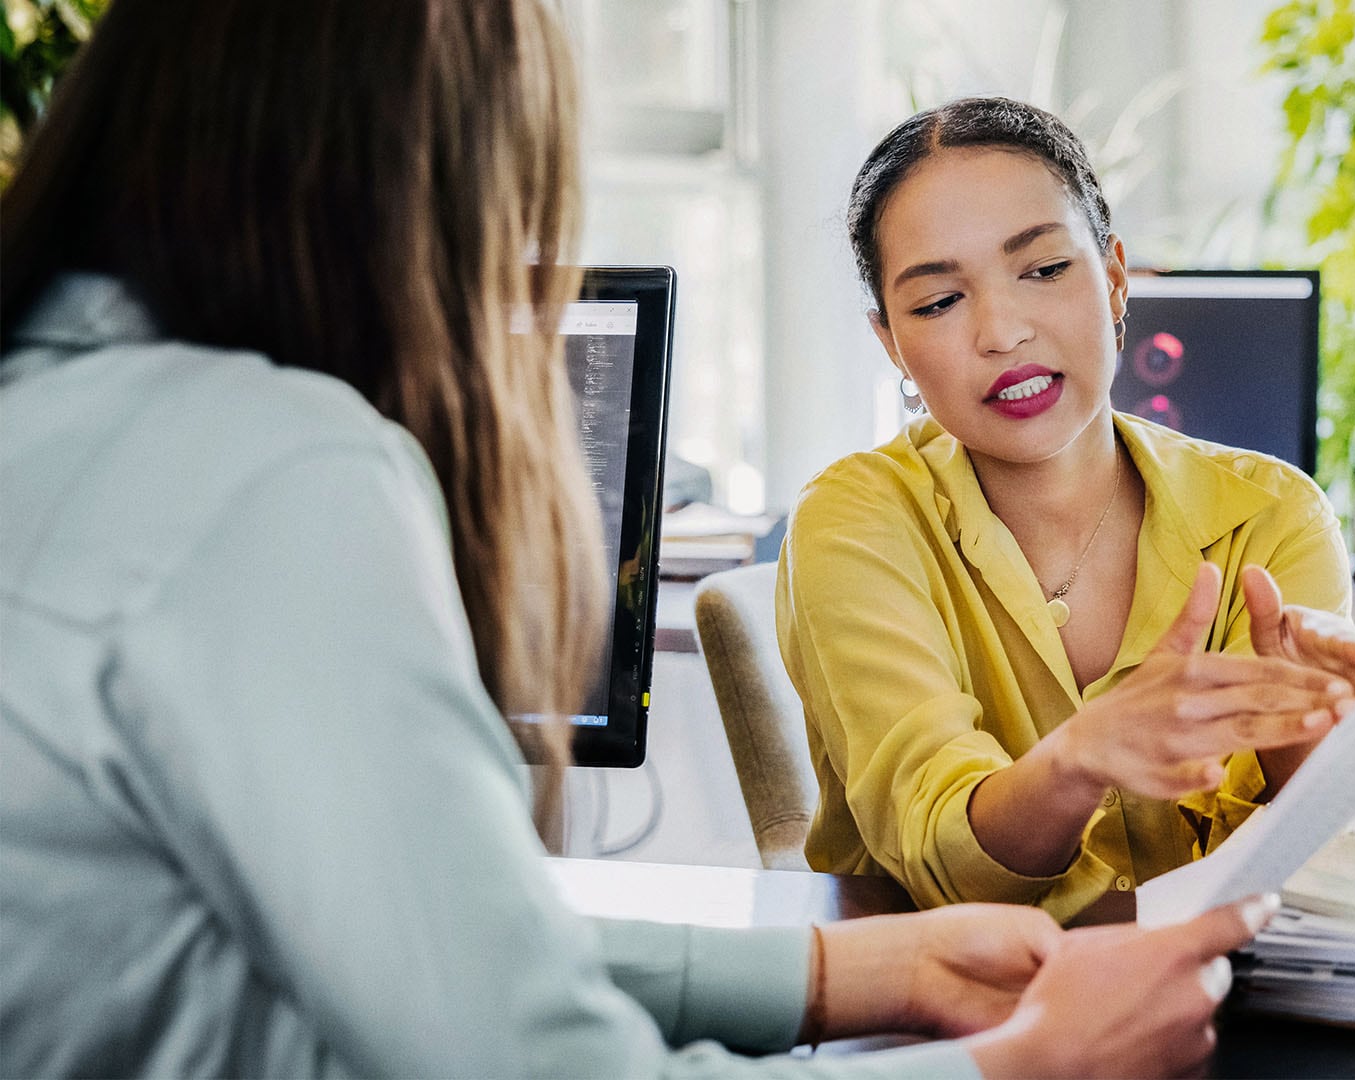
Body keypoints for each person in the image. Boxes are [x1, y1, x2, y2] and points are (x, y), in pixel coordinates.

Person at [0, 5, 1270, 1077]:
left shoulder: (57, 415)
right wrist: (1010, 1071)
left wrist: (828, 972)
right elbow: (527, 1055)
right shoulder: (270, 468)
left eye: (1039, 271)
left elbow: (445, 946)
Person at [778, 97, 1355, 921]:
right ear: (891, 341)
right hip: (954, 1025)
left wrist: (1310, 743)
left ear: (1112, 278)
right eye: (937, 303)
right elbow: (939, 866)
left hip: (1234, 1010)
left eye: (1042, 270)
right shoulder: (856, 521)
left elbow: (1309, 877)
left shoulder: (1272, 515)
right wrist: (1080, 759)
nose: (1001, 333)